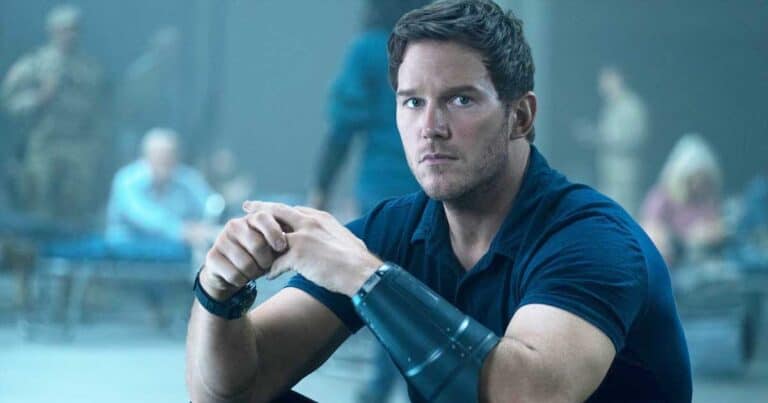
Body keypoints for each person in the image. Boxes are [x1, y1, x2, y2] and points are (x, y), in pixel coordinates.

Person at [187, 1, 691, 402]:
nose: (430, 127)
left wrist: (364, 276)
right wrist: (218, 292)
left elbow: (529, 394)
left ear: (519, 117)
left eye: (460, 99)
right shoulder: (395, 229)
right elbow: (228, 390)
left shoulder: (592, 239)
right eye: (413, 102)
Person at [308, 0, 423, 214]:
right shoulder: (437, 48)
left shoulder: (368, 50)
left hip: (379, 190)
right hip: (432, 186)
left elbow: (342, 129)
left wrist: (321, 190)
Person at [1, 4, 106, 225]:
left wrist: (96, 144)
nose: (70, 35)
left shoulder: (90, 69)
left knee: (76, 204)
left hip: (79, 145)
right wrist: (37, 98)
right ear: (52, 31)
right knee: (40, 201)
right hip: (44, 143)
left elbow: (100, 111)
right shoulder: (33, 64)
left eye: (74, 29)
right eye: (64, 29)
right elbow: (8, 101)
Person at [106, 128, 218, 258]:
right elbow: (144, 216)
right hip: (125, 255)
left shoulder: (187, 179)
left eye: (171, 154)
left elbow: (209, 204)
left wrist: (208, 226)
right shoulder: (126, 180)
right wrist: (183, 231)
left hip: (175, 255)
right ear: (146, 155)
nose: (165, 159)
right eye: (159, 154)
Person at [640, 133, 725, 267]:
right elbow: (651, 228)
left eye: (704, 179)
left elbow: (715, 228)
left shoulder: (707, 201)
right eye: (696, 178)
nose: (699, 184)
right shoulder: (662, 197)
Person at [576, 66, 648, 216]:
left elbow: (633, 139)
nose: (601, 86)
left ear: (617, 79)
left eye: (605, 80)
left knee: (623, 214)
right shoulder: (610, 107)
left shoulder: (631, 106)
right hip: (609, 172)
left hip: (624, 174)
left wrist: (597, 137)